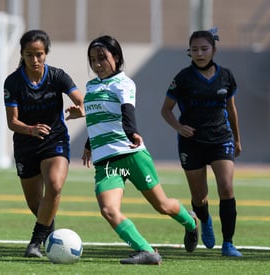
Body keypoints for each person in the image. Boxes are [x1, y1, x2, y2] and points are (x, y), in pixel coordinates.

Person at [81, 35, 198, 265]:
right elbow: (98, 118)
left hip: (132, 154)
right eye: (93, 59)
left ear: (115, 57)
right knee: (108, 210)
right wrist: (88, 144)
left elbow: (127, 110)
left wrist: (132, 132)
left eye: (102, 58)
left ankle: (191, 222)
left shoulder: (124, 83)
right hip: (106, 162)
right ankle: (146, 251)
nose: (97, 64)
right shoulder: (91, 85)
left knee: (162, 206)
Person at [160, 28, 243, 257]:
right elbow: (165, 110)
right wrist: (179, 127)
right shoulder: (183, 78)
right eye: (195, 49)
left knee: (226, 188)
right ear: (190, 52)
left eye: (204, 49)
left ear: (214, 50)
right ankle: (204, 219)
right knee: (200, 196)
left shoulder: (226, 75)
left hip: (220, 139)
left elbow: (231, 109)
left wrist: (237, 138)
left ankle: (228, 244)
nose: (200, 53)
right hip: (192, 142)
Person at [3, 29, 85, 258]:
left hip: (54, 139)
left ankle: (34, 244)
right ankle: (50, 231)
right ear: (22, 54)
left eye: (39, 54)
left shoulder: (57, 76)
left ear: (46, 53)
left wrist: (80, 110)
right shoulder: (13, 82)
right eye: (29, 54)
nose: (35, 59)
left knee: (55, 185)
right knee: (35, 204)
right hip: (25, 144)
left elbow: (80, 100)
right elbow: (12, 122)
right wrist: (30, 129)